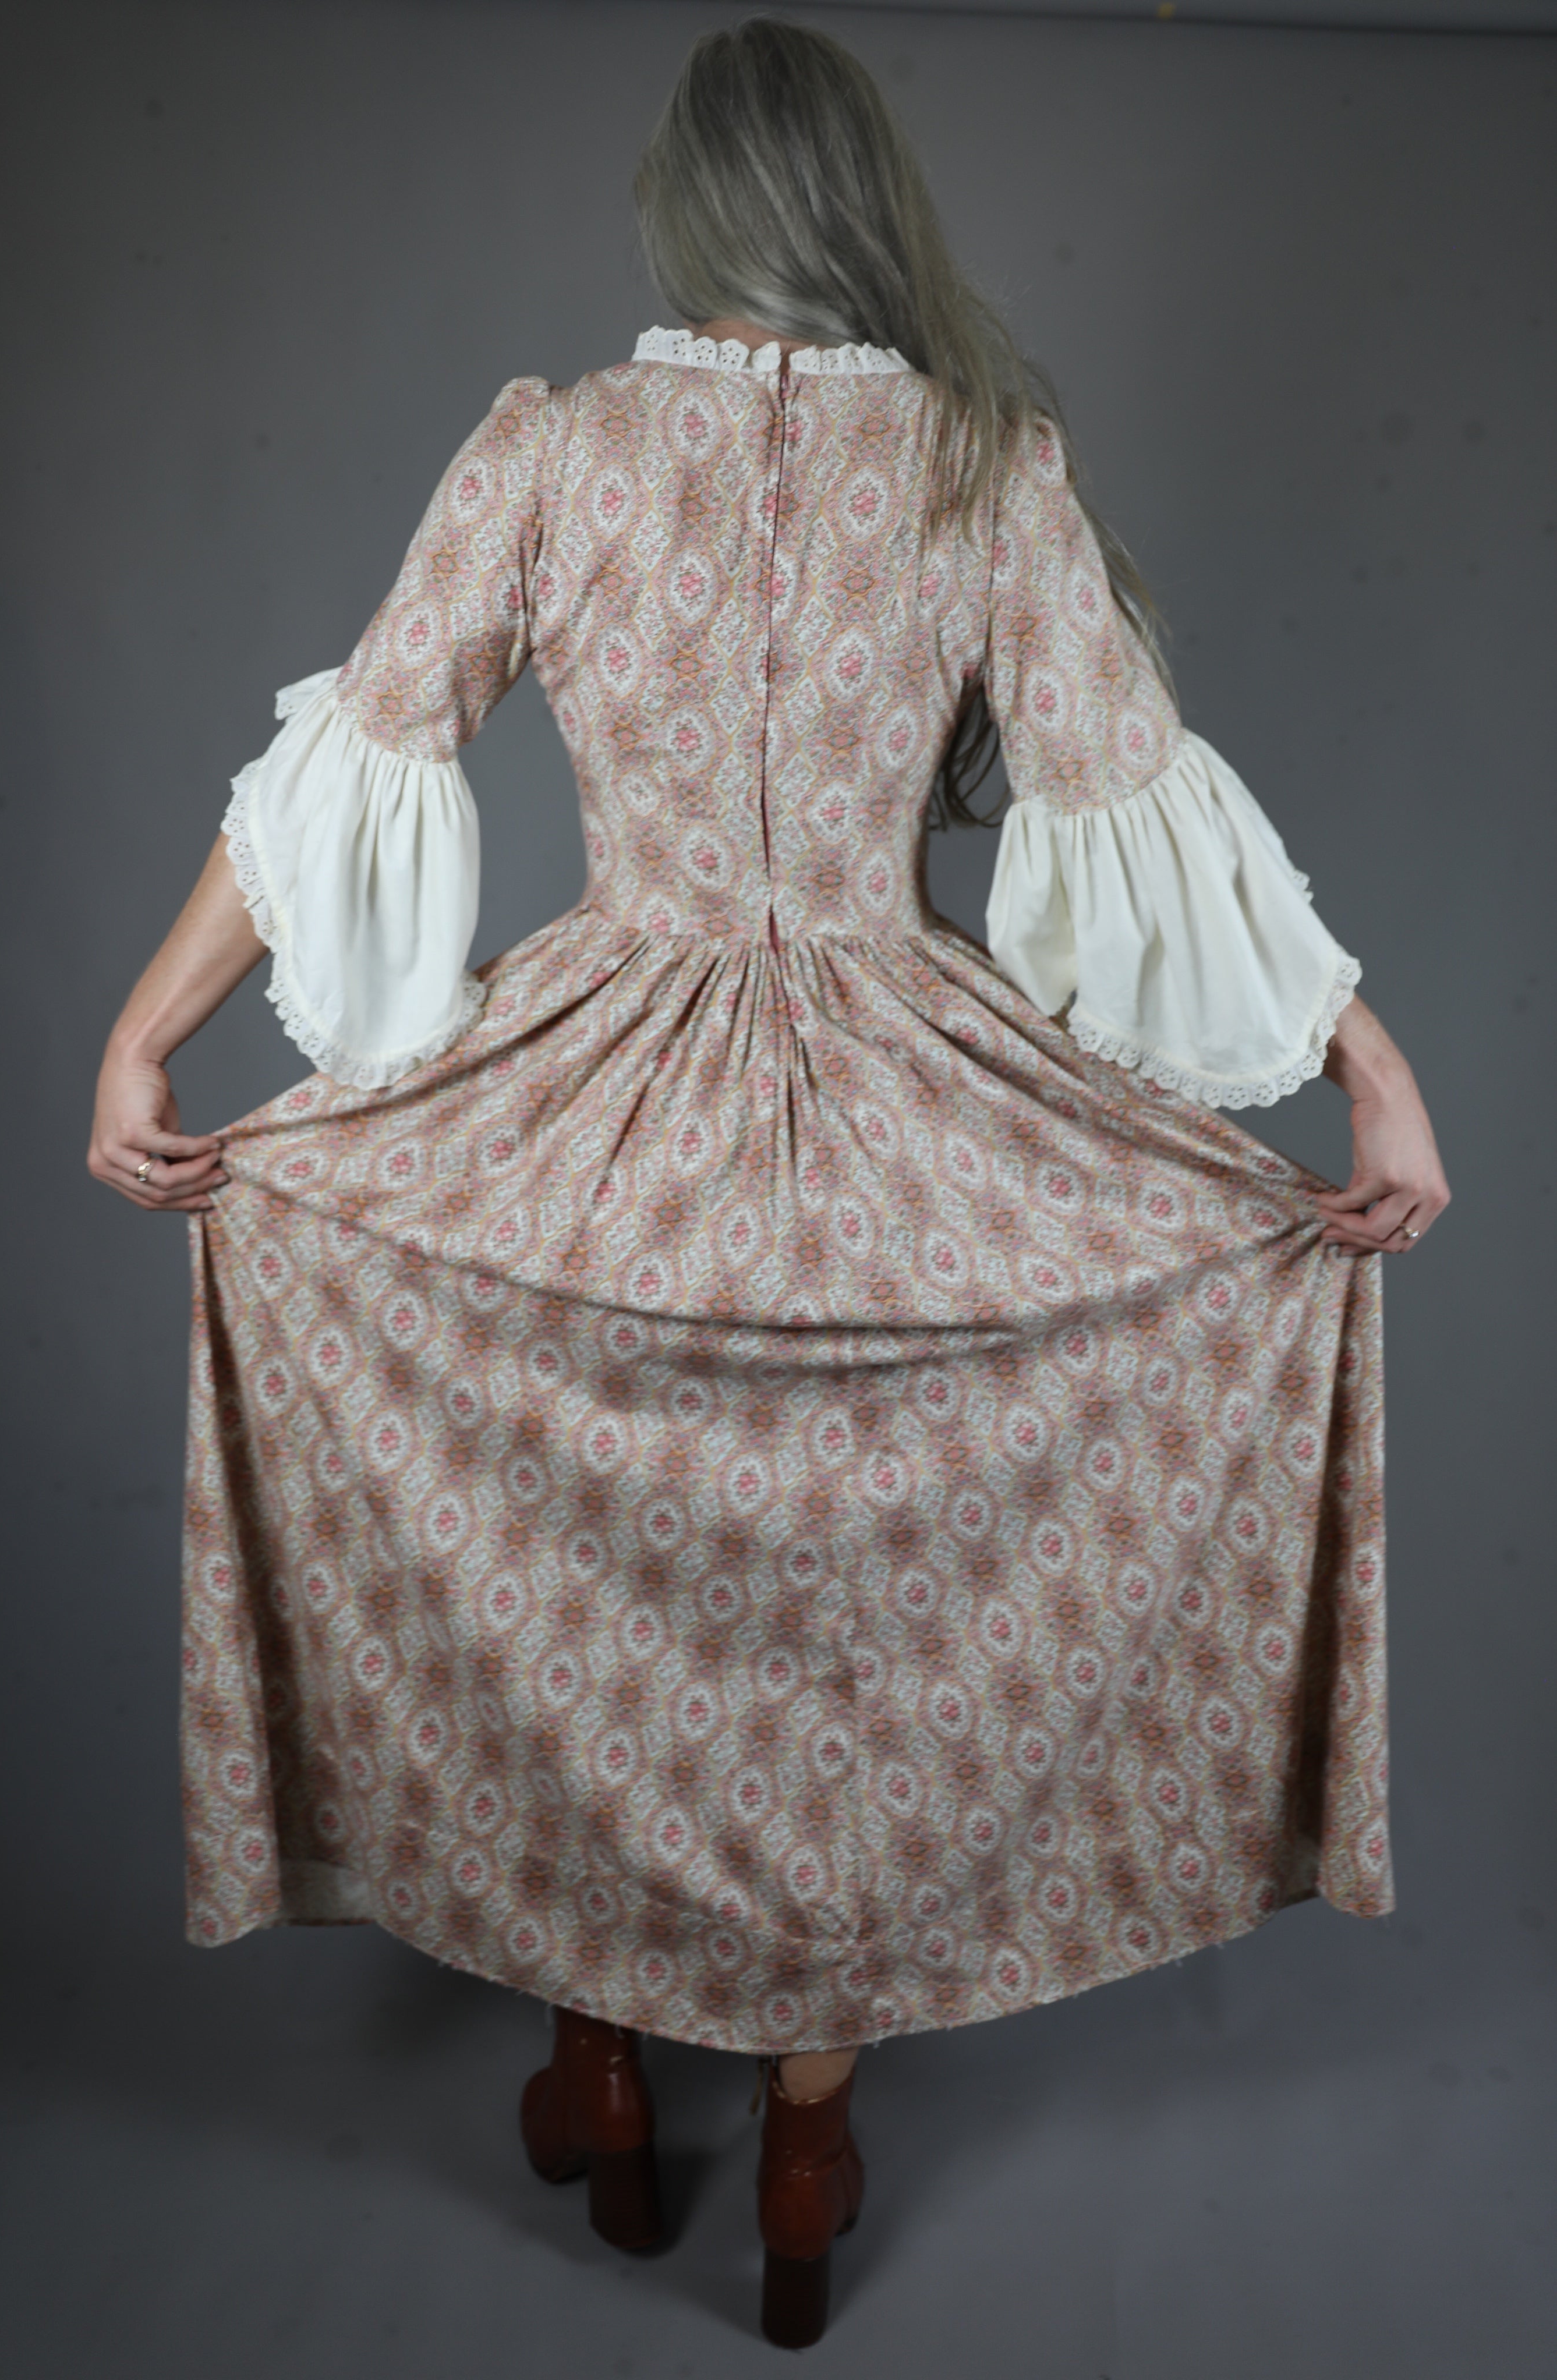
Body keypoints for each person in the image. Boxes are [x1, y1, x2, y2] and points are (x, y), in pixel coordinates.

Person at [87, 19, 1448, 2351]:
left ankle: (603, 2065)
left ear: (687, 205)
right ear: (859, 198)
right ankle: (810, 2123)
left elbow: (356, 758)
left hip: (592, 1120)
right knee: (851, 1619)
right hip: (911, 1123)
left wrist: (145, 1030)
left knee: (589, 1572)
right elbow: (1142, 804)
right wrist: (1375, 1074)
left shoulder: (553, 447)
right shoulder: (984, 462)